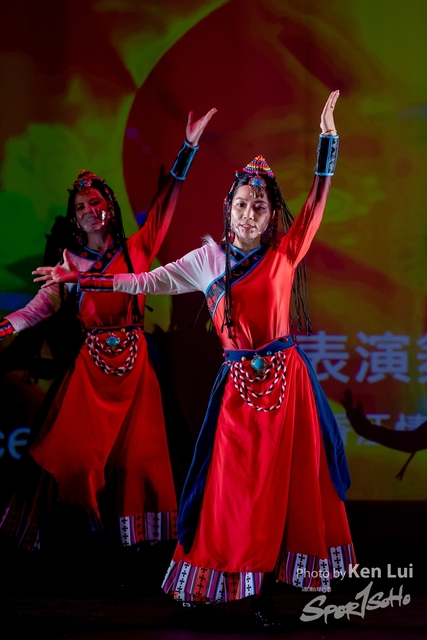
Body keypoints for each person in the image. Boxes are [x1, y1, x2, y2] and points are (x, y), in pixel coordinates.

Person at [34, 92, 355, 626]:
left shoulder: (285, 253)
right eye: (242, 204)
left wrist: (328, 141)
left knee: (277, 491)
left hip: (286, 391)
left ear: (271, 214)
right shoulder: (207, 260)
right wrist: (81, 279)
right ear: (228, 208)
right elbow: (142, 281)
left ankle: (259, 591)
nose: (249, 214)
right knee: (229, 492)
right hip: (238, 393)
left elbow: (318, 203)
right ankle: (217, 578)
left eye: (259, 206)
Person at [0, 107, 216, 552]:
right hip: (90, 374)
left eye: (96, 202)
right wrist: (5, 325)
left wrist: (188, 147)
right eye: (81, 207)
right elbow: (40, 308)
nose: (89, 210)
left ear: (110, 207)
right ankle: (83, 545)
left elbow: (166, 203)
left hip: (135, 372)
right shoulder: (69, 263)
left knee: (137, 465)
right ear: (74, 218)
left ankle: (130, 555)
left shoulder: (137, 250)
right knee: (77, 462)